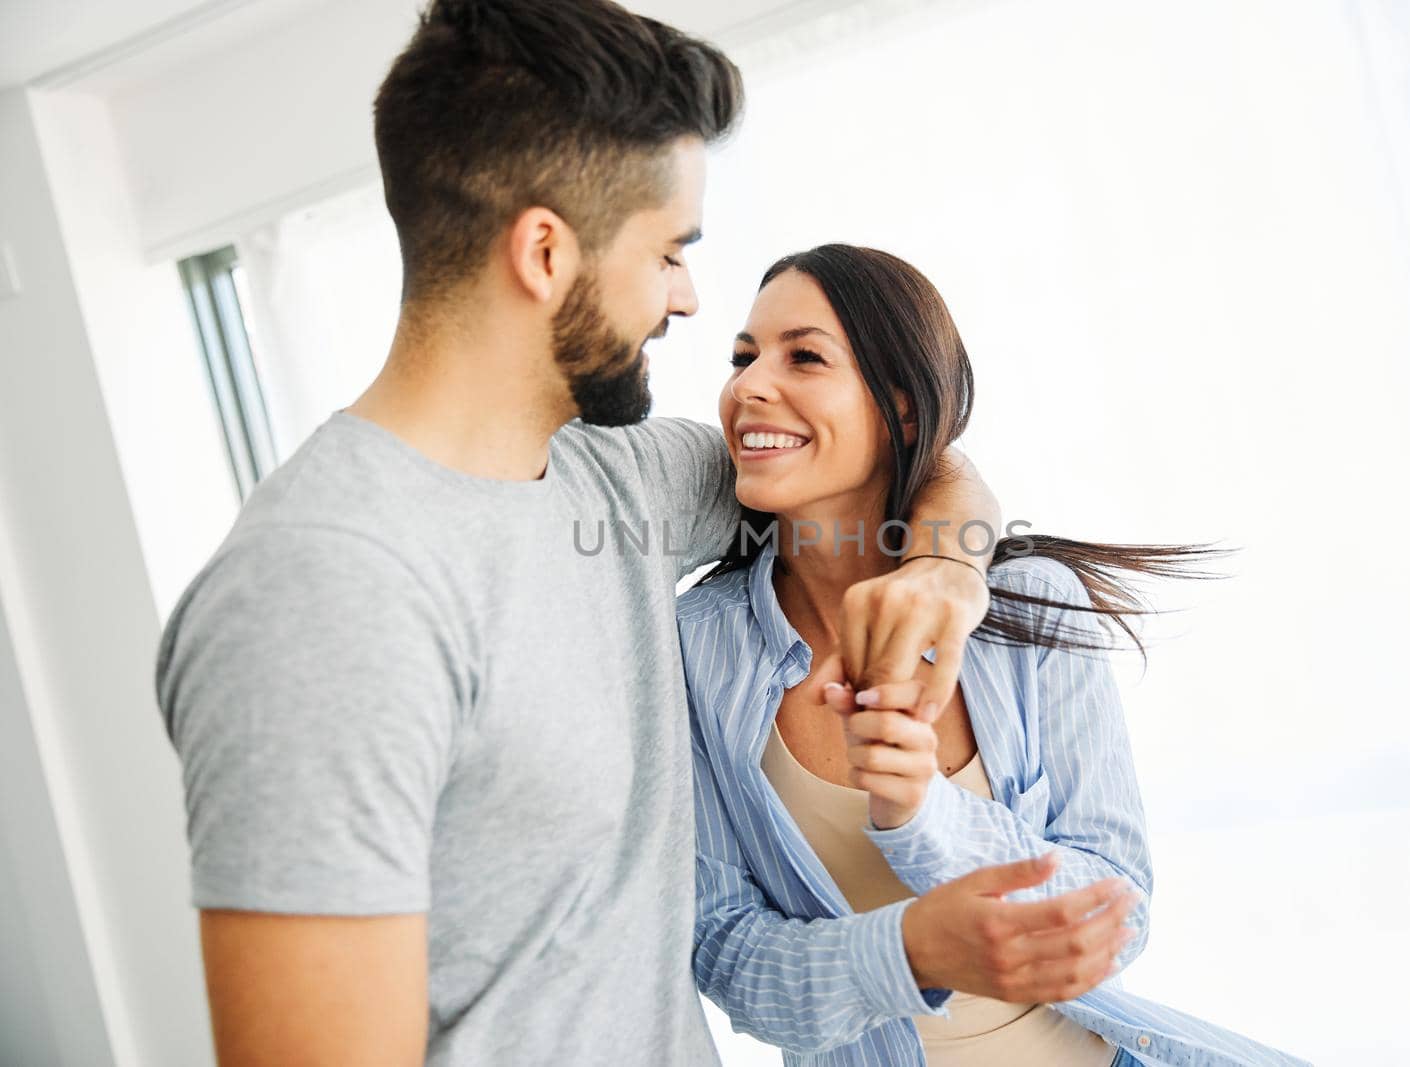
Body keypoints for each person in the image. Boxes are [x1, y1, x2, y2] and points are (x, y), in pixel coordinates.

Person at [154, 6, 1012, 1065]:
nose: (689, 299)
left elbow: (898, 458)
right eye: (668, 251)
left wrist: (943, 569)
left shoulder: (622, 479)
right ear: (546, 252)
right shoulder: (323, 594)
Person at [678, 245, 1312, 1066]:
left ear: (901, 412)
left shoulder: (1035, 605)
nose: (748, 386)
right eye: (742, 357)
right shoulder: (697, 647)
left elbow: (1118, 915)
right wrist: (914, 951)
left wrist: (925, 813)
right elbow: (729, 955)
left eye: (803, 355)